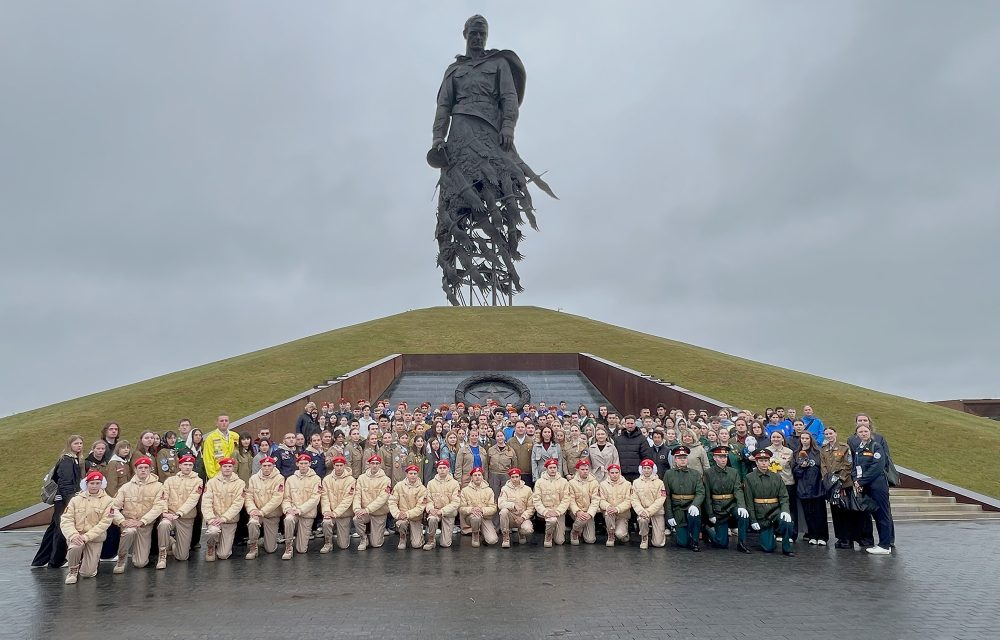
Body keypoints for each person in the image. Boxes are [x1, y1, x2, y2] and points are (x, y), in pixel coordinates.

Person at [32, 435, 84, 569]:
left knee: (54, 529)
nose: (79, 445)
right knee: (61, 529)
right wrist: (71, 502)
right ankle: (56, 561)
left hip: (62, 499)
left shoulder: (73, 459)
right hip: (64, 499)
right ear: (70, 445)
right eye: (76, 443)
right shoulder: (67, 460)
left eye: (80, 443)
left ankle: (40, 560)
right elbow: (65, 483)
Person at [110, 456, 166, 573]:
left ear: (150, 469)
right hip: (128, 524)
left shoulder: (159, 487)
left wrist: (142, 521)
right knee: (129, 532)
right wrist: (122, 521)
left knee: (140, 563)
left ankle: (168, 542)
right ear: (135, 470)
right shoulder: (125, 487)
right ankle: (121, 558)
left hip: (144, 525)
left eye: (146, 467)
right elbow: (113, 508)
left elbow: (158, 507)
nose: (143, 470)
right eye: (140, 468)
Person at [60, 470, 115, 584]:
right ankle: (73, 571)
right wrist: (73, 535)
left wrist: (86, 537)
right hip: (77, 535)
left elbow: (104, 523)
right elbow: (66, 519)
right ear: (87, 484)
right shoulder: (75, 500)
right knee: (75, 546)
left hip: (95, 538)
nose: (94, 486)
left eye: (97, 483)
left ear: (102, 484)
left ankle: (89, 562)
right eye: (92, 483)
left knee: (87, 574)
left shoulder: (109, 501)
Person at [852, 422, 895, 555]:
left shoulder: (876, 446)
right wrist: (856, 480)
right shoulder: (859, 448)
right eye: (860, 432)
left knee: (883, 514)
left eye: (865, 431)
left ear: (870, 432)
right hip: (866, 485)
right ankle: (882, 543)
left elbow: (877, 467)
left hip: (878, 485)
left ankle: (885, 545)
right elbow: (856, 467)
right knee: (876, 515)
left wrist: (862, 481)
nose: (863, 434)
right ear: (857, 434)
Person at [155, 454, 203, 568]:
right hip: (170, 515)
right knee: (163, 525)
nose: (187, 467)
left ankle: (172, 542)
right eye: (185, 464)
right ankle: (162, 554)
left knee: (182, 557)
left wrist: (179, 513)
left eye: (190, 465)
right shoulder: (170, 480)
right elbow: (163, 497)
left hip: (185, 517)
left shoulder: (198, 481)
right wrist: (164, 512)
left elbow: (193, 500)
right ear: (180, 466)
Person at [744, 449, 795, 556]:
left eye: (766, 460)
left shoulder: (776, 477)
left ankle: (787, 548)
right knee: (768, 548)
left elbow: (784, 496)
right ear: (756, 462)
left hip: (775, 511)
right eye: (761, 461)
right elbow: (749, 501)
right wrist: (753, 520)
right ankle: (769, 536)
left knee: (787, 523)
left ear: (769, 462)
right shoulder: (749, 478)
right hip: (761, 514)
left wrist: (785, 511)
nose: (764, 463)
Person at [703, 446, 751, 553]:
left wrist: (741, 506)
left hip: (731, 504)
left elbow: (738, 490)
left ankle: (742, 543)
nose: (723, 459)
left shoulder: (733, 472)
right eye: (720, 457)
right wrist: (710, 514)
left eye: (725, 456)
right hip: (718, 507)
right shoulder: (708, 473)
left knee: (743, 516)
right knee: (721, 544)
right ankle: (707, 529)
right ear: (714, 458)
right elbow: (707, 495)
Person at [201, 457, 246, 561]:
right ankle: (211, 546)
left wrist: (224, 518)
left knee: (223, 555)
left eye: (230, 466)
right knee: (212, 532)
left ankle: (220, 544)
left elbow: (238, 504)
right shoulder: (211, 482)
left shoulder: (240, 483)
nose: (227, 468)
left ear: (233, 468)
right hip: (214, 520)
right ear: (221, 468)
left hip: (229, 521)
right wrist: (210, 518)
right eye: (225, 466)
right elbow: (206, 502)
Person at [281, 453, 322, 559]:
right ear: (297, 464)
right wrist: (288, 509)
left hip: (307, 513)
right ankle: (288, 546)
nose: (303, 466)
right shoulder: (290, 479)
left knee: (301, 549)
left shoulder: (316, 479)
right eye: (301, 463)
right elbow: (286, 498)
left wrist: (300, 509)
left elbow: (315, 499)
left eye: (306, 463)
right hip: (293, 511)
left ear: (310, 464)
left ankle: (299, 543)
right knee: (288, 519)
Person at [244, 456, 285, 560]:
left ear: (273, 466)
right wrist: (252, 510)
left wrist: (262, 511)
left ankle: (265, 541)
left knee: (270, 549)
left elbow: (277, 498)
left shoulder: (279, 478)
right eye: (264, 466)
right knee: (252, 523)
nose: (267, 468)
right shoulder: (253, 478)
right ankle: (253, 546)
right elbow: (249, 497)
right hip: (256, 512)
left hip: (272, 514)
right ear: (261, 466)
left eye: (269, 465)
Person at [821, 426, 855, 548]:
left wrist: (839, 479)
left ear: (835, 434)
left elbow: (848, 464)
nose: (828, 436)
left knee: (845, 512)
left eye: (830, 433)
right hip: (831, 486)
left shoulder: (844, 447)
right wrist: (828, 480)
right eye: (826, 434)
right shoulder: (824, 449)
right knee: (835, 512)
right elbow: (823, 466)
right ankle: (840, 537)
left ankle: (848, 539)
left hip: (843, 485)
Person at [793, 431, 829, 545]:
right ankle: (812, 535)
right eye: (802, 438)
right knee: (808, 513)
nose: (804, 440)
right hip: (803, 487)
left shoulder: (818, 452)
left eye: (806, 438)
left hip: (817, 486)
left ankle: (822, 536)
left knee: (819, 513)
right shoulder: (796, 453)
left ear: (811, 439)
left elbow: (823, 468)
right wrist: (801, 467)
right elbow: (794, 471)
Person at [353, 454, 392, 551]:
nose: (375, 465)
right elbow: (357, 495)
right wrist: (357, 509)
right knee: (356, 519)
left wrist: (367, 509)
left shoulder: (386, 479)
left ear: (380, 465)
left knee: (376, 544)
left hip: (379, 513)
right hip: (364, 512)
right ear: (369, 464)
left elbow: (382, 498)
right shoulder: (361, 478)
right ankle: (363, 538)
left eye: (377, 463)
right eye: (373, 463)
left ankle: (376, 534)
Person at [320, 456, 356, 553]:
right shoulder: (326, 479)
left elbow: (347, 500)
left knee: (343, 546)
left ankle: (343, 535)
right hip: (330, 511)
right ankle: (328, 543)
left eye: (341, 465)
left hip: (344, 514)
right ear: (333, 466)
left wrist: (335, 513)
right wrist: (326, 511)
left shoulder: (351, 480)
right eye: (337, 465)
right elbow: (324, 497)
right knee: (326, 522)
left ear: (344, 466)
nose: (339, 468)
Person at [766, 431, 798, 541]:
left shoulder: (789, 452)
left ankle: (791, 533)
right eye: (773, 437)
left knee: (790, 509)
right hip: (771, 484)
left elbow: (793, 467)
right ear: (770, 438)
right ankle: (777, 532)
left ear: (783, 439)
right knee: (774, 508)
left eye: (778, 437)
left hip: (787, 483)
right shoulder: (766, 451)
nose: (776, 439)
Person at [532, 458, 570, 547]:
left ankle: (554, 532)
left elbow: (566, 499)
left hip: (559, 512)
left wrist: (558, 511)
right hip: (546, 511)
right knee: (552, 520)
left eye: (554, 467)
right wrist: (545, 511)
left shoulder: (564, 482)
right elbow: (536, 500)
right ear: (546, 469)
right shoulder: (539, 482)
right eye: (550, 468)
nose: (553, 470)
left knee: (560, 541)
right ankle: (548, 535)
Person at [389, 464, 430, 550]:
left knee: (417, 545)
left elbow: (420, 507)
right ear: (406, 474)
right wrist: (397, 514)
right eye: (410, 473)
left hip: (415, 518)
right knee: (402, 523)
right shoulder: (399, 486)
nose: (413, 475)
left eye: (415, 473)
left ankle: (418, 534)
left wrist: (407, 514)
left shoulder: (422, 489)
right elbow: (392, 502)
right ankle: (402, 537)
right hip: (401, 518)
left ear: (417, 475)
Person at [424, 459, 461, 550]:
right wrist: (431, 509)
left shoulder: (455, 483)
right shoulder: (431, 483)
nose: (442, 470)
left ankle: (445, 537)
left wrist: (442, 511)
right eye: (440, 468)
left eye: (444, 468)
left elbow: (456, 502)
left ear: (448, 469)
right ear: (437, 469)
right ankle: (431, 540)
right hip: (435, 511)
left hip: (448, 513)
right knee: (432, 519)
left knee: (445, 544)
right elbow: (428, 500)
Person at [631, 458, 668, 550]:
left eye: (649, 468)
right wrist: (641, 511)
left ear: (653, 469)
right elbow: (634, 499)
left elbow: (661, 499)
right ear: (641, 469)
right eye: (644, 468)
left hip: (656, 512)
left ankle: (654, 533)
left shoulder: (659, 483)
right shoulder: (636, 482)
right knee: (642, 520)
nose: (646, 470)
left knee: (658, 544)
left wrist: (648, 511)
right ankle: (644, 537)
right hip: (642, 511)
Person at [460, 467, 498, 547]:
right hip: (471, 516)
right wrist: (471, 509)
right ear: (471, 478)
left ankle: (484, 535)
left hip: (485, 516)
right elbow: (461, 508)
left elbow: (493, 507)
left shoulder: (489, 490)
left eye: (479, 475)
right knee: (476, 518)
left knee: (492, 540)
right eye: (475, 475)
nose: (477, 477)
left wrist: (482, 510)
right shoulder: (465, 490)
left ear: (482, 477)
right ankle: (475, 535)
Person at [497, 467, 534, 548]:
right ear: (510, 478)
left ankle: (521, 533)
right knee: (503, 512)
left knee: (528, 529)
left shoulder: (527, 490)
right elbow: (500, 503)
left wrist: (523, 517)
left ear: (520, 477)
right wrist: (513, 505)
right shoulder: (505, 489)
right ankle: (506, 537)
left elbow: (531, 508)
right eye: (512, 477)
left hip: (522, 516)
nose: (515, 479)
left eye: (517, 477)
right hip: (510, 516)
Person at [598, 463, 633, 547]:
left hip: (622, 514)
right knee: (608, 513)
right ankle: (610, 535)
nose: (614, 475)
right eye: (612, 473)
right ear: (608, 473)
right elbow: (601, 500)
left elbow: (629, 501)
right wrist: (608, 506)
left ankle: (624, 531)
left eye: (616, 472)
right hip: (610, 513)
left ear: (619, 473)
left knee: (620, 535)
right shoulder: (602, 485)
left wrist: (617, 508)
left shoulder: (627, 484)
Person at [567, 460, 600, 545]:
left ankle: (580, 530)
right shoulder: (571, 483)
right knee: (581, 520)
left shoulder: (594, 482)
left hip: (588, 513)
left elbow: (595, 500)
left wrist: (590, 513)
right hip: (576, 512)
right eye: (582, 469)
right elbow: (571, 500)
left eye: (587, 469)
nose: (585, 471)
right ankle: (575, 531)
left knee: (590, 540)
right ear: (577, 470)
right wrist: (577, 511)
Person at [202, 415, 241, 480]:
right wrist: (213, 477)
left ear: (229, 422)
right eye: (221, 421)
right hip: (218, 475)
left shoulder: (235, 436)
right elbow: (208, 459)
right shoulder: (210, 438)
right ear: (217, 423)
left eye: (226, 421)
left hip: (233, 474)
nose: (224, 423)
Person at [614, 416, 651, 482]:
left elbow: (646, 456)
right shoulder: (618, 439)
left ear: (635, 424)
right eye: (628, 423)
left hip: (637, 474)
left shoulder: (642, 439)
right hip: (622, 473)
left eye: (632, 423)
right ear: (625, 424)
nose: (630, 425)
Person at [506, 420, 534, 486]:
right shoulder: (510, 442)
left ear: (525, 428)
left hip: (528, 473)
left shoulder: (530, 441)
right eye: (518, 427)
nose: (520, 429)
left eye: (522, 427)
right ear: (515, 428)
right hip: (514, 474)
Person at [487, 432, 514, 498]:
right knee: (494, 495)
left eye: (501, 436)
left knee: (505, 495)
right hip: (494, 476)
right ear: (495, 438)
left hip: (506, 475)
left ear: (504, 437)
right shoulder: (491, 450)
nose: (500, 438)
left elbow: (514, 464)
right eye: (498, 436)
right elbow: (487, 463)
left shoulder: (510, 450)